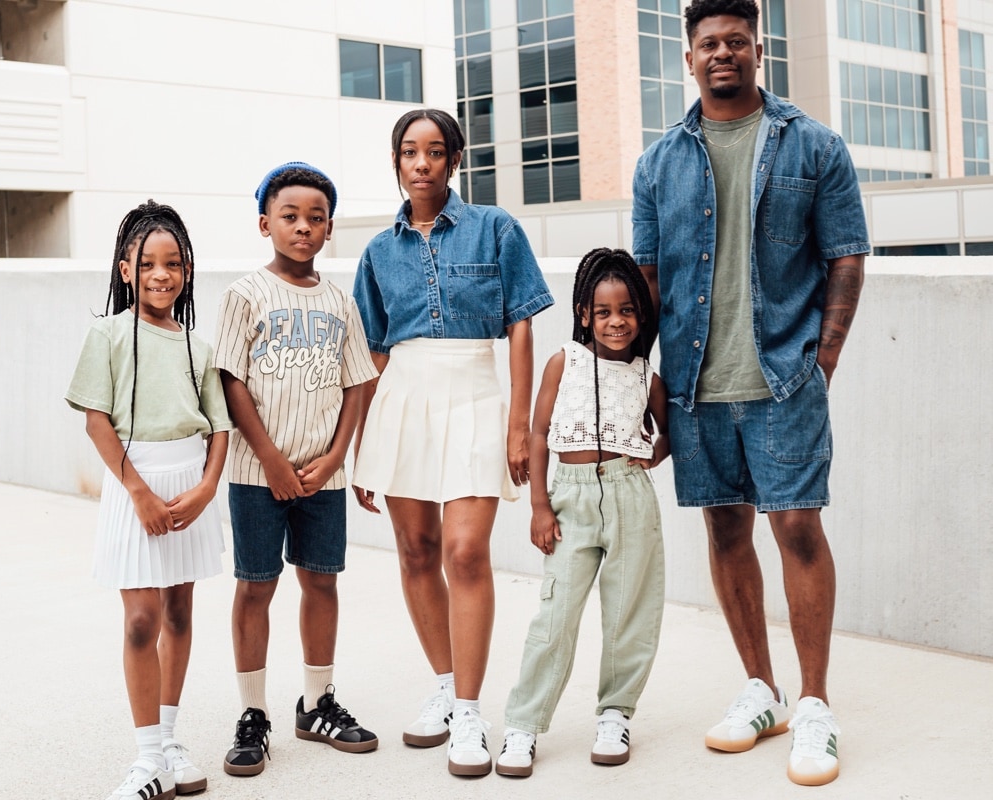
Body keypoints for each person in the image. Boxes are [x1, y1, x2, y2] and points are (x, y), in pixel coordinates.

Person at [631, 0, 869, 787]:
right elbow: (647, 282)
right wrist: (648, 382)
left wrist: (822, 361)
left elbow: (845, 257)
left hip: (782, 376)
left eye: (737, 40)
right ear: (688, 56)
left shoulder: (815, 145)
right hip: (697, 382)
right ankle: (760, 690)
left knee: (797, 527)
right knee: (726, 530)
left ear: (758, 49)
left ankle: (814, 706)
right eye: (708, 43)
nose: (722, 52)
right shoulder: (658, 161)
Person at [352, 108, 554, 777]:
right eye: (409, 152)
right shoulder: (379, 252)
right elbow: (374, 353)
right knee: (416, 550)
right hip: (402, 399)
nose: (421, 163)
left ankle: (469, 711)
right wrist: (360, 445)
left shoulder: (497, 228)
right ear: (395, 163)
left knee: (466, 552)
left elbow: (522, 325)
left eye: (435, 152)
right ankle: (443, 684)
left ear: (454, 161)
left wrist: (519, 424)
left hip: (474, 395)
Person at [213, 162, 379, 778]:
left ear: (330, 228)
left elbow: (358, 380)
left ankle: (316, 704)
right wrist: (273, 461)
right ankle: (253, 714)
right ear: (266, 224)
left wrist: (337, 455)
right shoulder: (245, 294)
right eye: (290, 216)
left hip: (322, 477)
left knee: (321, 583)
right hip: (259, 475)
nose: (303, 227)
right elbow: (231, 382)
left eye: (315, 218)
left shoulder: (339, 301)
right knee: (256, 586)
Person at [66, 200, 231, 800]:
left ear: (186, 270)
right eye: (149, 263)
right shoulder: (107, 334)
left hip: (190, 485)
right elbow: (95, 420)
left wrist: (209, 487)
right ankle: (147, 761)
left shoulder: (197, 344)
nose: (162, 274)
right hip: (137, 484)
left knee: (180, 614)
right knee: (141, 619)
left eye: (174, 264)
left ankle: (167, 737)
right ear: (126, 269)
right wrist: (136, 490)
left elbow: (219, 428)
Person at [496, 248, 669, 779]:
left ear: (640, 316)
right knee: (555, 615)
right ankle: (523, 725)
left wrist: (646, 456)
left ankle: (615, 714)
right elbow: (540, 433)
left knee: (629, 615)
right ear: (582, 314)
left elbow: (671, 438)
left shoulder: (647, 377)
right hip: (569, 498)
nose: (616, 321)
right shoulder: (563, 362)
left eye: (626, 311)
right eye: (603, 311)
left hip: (629, 497)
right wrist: (540, 505)